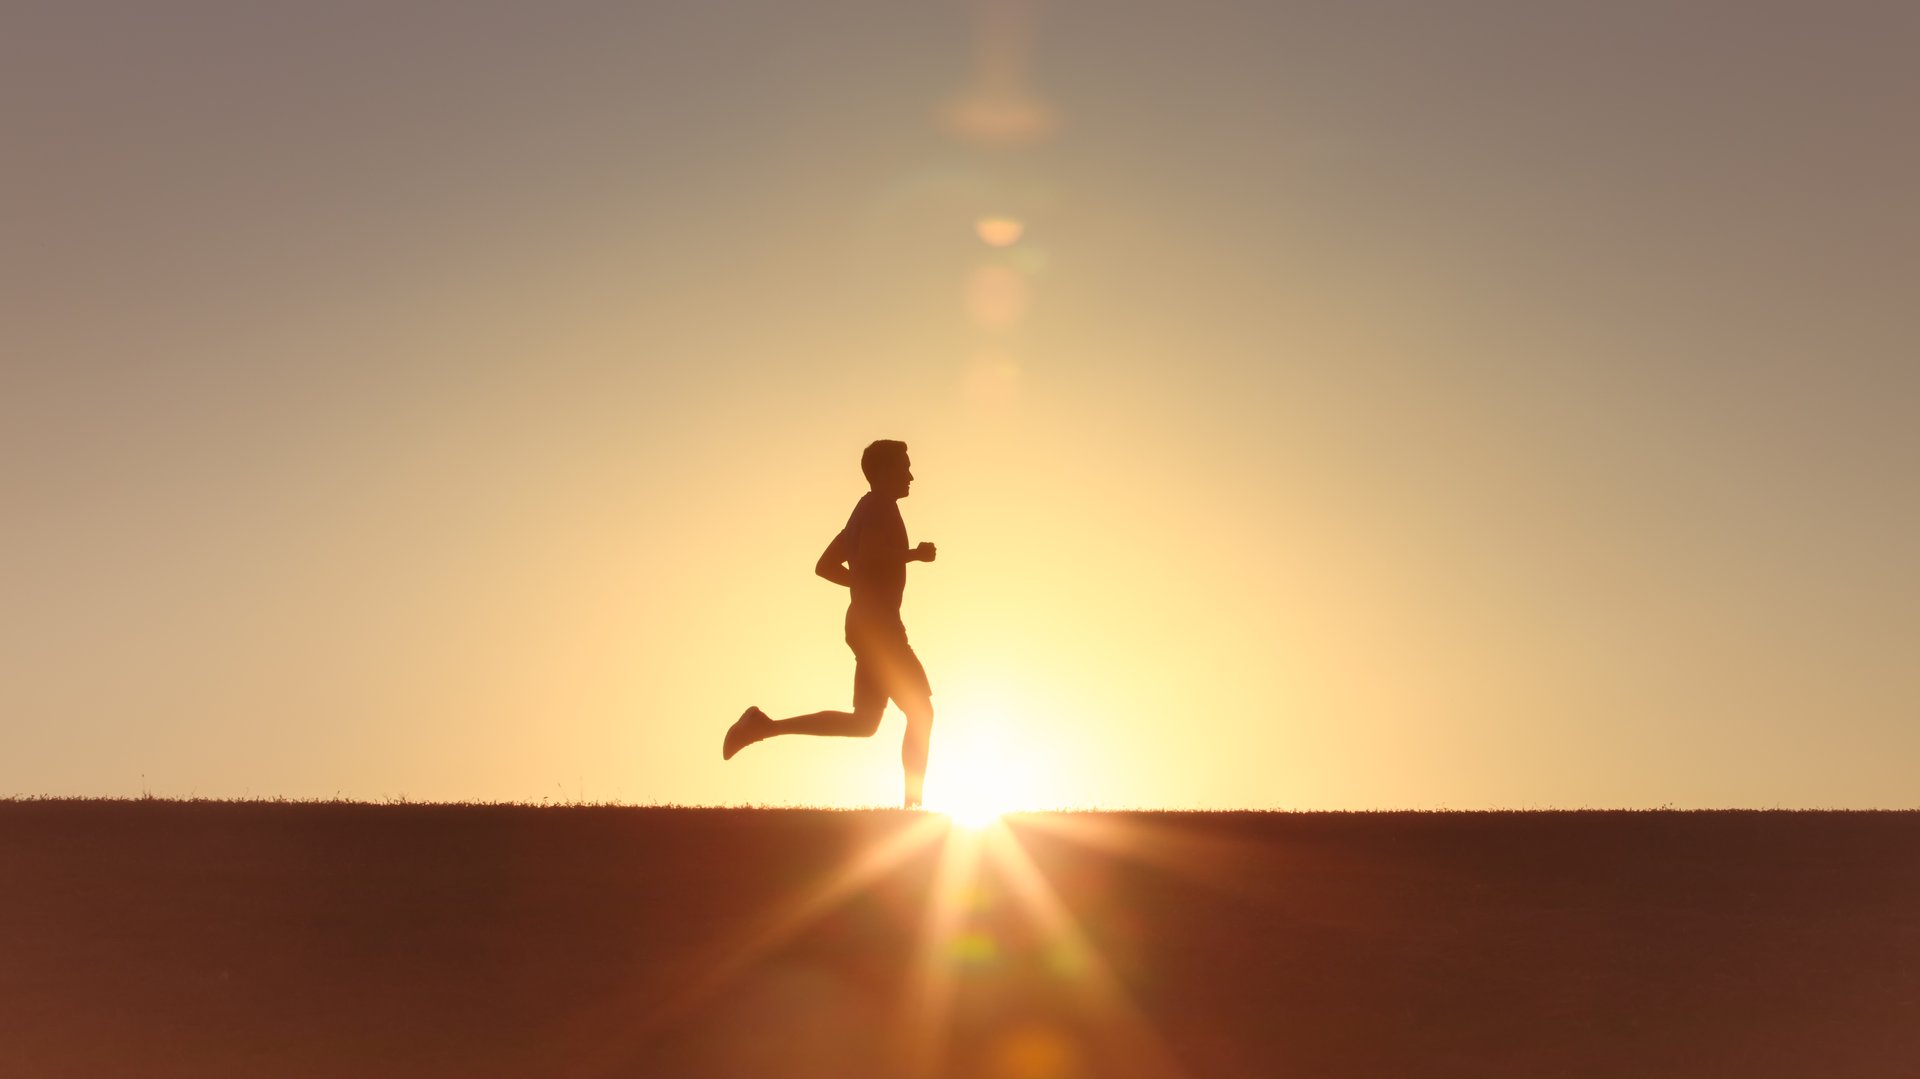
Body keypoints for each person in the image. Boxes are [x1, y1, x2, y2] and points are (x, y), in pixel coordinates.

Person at [723, 440, 938, 808]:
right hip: (879, 629)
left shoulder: (862, 512)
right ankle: (912, 807)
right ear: (885, 472)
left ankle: (763, 726)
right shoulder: (878, 506)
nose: (911, 476)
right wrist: (912, 555)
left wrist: (863, 584)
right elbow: (869, 555)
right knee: (921, 711)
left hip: (866, 625)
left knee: (865, 723)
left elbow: (826, 566)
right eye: (904, 468)